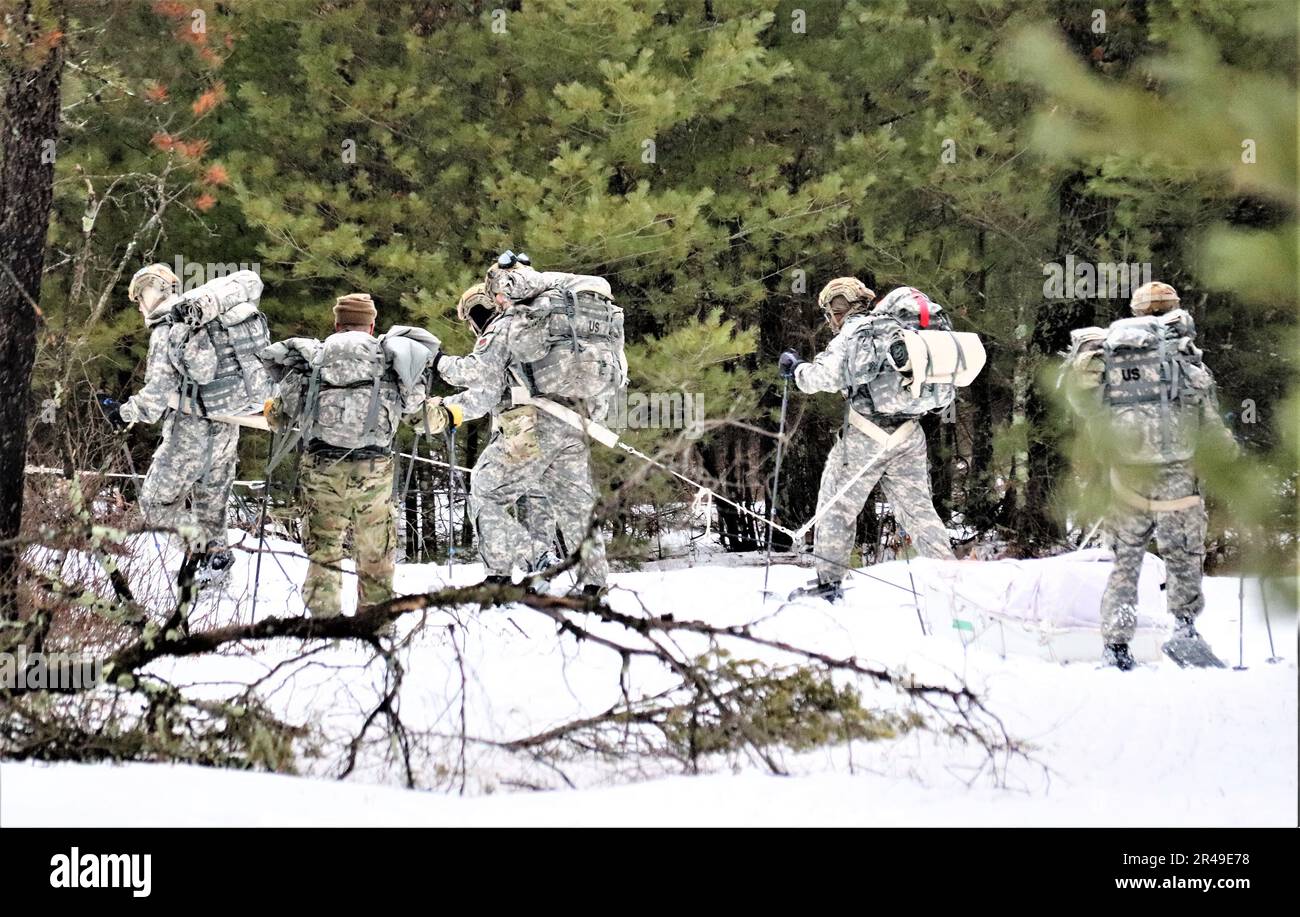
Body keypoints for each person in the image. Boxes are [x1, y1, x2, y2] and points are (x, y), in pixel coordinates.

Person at [1063, 281, 1235, 669]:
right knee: (1183, 553)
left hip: (1125, 474)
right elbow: (1206, 420)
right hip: (1177, 474)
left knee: (1125, 561)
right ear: (1175, 309)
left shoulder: (1110, 355)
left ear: (1137, 312)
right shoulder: (1184, 358)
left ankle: (1116, 646)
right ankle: (1185, 629)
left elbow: (1089, 411)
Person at [423, 254, 619, 594]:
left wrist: (438, 363)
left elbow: (480, 379)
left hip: (527, 425)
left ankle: (527, 561)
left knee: (487, 493)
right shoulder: (552, 322)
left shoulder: (508, 323)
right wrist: (451, 410)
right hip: (577, 422)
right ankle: (594, 585)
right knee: (577, 508)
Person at [779, 278, 955, 601]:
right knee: (920, 513)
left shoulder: (854, 332)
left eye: (830, 313)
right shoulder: (898, 329)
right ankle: (953, 583)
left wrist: (798, 370)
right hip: (909, 436)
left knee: (836, 507)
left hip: (864, 438)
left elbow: (824, 376)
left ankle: (828, 584)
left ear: (836, 311)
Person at [261, 293, 435, 618]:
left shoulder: (313, 356)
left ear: (337, 323)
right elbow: (418, 414)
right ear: (372, 325)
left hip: (321, 470)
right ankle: (375, 625)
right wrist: (447, 415)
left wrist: (273, 411)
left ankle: (326, 627)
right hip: (374, 471)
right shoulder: (389, 356)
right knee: (376, 552)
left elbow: (281, 417)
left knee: (323, 551)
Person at [104, 263, 270, 587]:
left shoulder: (166, 328)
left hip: (189, 433)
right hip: (226, 427)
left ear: (150, 293)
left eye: (139, 298)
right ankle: (216, 572)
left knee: (154, 504)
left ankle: (201, 552)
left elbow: (154, 397)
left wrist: (121, 412)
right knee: (212, 507)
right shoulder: (201, 321)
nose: (139, 306)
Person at [439, 281, 559, 572]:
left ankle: (520, 566)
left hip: (522, 424)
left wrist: (439, 373)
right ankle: (540, 577)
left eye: (470, 319)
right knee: (536, 499)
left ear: (478, 310)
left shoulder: (497, 330)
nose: (471, 327)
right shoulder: (531, 328)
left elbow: (483, 392)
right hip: (559, 426)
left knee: (484, 496)